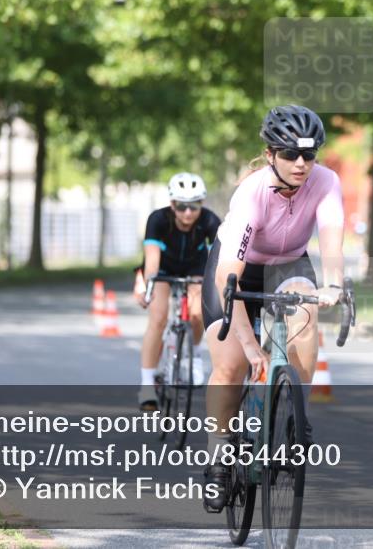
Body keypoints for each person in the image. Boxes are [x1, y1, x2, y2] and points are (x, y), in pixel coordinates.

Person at [199, 104, 344, 513]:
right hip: (236, 272)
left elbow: (331, 236)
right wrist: (250, 347)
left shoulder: (327, 182)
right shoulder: (252, 193)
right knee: (230, 366)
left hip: (289, 264)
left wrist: (334, 283)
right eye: (290, 154)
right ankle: (219, 460)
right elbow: (228, 277)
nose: (301, 164)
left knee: (307, 317)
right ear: (270, 155)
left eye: (309, 155)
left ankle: (295, 416)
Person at [133, 172, 221, 412]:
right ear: (172, 204)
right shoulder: (158, 219)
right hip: (163, 268)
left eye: (194, 206)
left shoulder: (210, 221)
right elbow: (152, 260)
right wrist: (145, 284)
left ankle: (193, 354)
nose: (188, 212)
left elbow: (217, 260)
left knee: (197, 313)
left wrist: (215, 287)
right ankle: (147, 385)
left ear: (202, 203)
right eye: (182, 206)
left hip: (195, 268)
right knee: (158, 318)